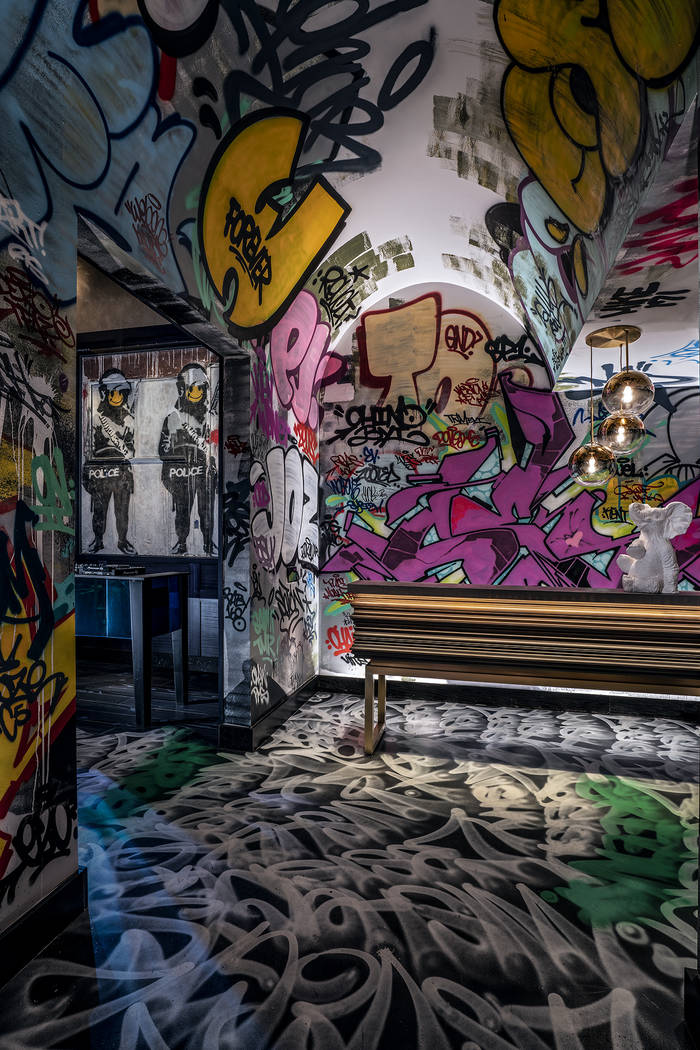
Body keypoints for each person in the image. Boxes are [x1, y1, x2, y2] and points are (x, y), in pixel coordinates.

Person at [158, 362, 217, 555]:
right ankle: (182, 543)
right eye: (192, 388)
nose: (196, 392)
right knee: (182, 511)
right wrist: (176, 458)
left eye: (200, 388)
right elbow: (162, 449)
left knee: (206, 511)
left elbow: (216, 446)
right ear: (183, 389)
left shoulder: (210, 417)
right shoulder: (173, 418)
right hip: (181, 474)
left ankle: (208, 544)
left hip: (204, 474)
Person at [83, 368, 136, 554]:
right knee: (99, 510)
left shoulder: (129, 420)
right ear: (105, 393)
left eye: (119, 393)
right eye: (112, 392)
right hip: (100, 472)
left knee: (122, 511)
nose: (116, 397)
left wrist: (123, 449)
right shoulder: (97, 419)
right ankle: (98, 540)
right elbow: (88, 447)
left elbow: (132, 450)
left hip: (121, 472)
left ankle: (122, 541)